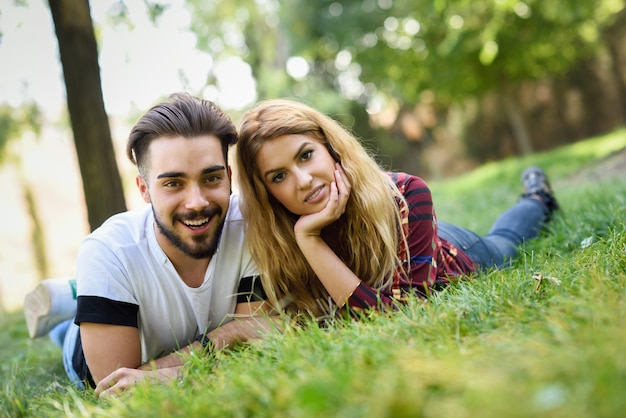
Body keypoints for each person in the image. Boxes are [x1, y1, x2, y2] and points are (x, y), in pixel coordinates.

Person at [24, 93, 272, 397]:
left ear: (229, 178)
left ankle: (74, 295)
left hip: (132, 308)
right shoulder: (107, 250)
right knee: (67, 334)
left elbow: (255, 338)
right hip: (84, 350)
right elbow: (118, 387)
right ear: (144, 189)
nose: (197, 202)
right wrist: (227, 337)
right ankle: (66, 309)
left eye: (211, 178)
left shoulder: (249, 224)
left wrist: (175, 373)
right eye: (173, 183)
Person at [235, 98, 560, 318]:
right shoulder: (275, 238)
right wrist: (307, 236)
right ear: (266, 192)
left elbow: (398, 314)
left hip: (449, 252)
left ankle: (537, 196)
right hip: (409, 242)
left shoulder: (407, 191)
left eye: (306, 155)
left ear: (330, 147)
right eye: (279, 176)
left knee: (504, 242)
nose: (303, 180)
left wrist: (310, 241)